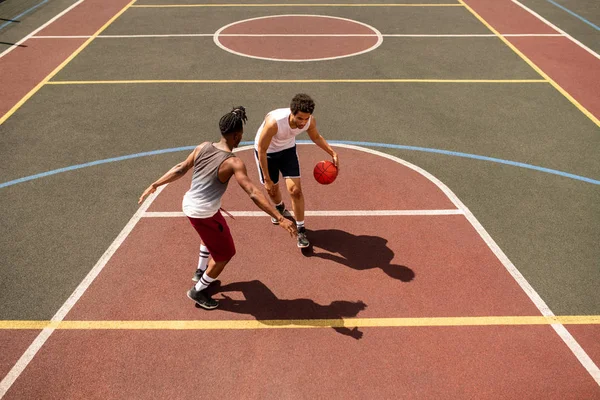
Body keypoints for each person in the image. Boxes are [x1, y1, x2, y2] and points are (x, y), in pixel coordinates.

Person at [139, 106, 297, 310]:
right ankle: (198, 290)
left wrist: (155, 184)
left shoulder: (203, 147)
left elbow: (181, 168)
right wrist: (280, 217)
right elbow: (252, 192)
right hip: (203, 212)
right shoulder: (233, 162)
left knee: (210, 234)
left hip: (191, 204)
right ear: (237, 136)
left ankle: (200, 271)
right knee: (225, 254)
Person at [254, 93, 339, 248]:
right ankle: (279, 207)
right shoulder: (274, 123)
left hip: (287, 151)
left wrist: (332, 152)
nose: (303, 122)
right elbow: (262, 149)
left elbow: (316, 137)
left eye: (306, 118)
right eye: (300, 118)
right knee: (272, 189)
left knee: (295, 191)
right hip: (267, 153)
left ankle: (301, 230)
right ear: (292, 113)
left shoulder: (309, 121)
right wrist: (266, 178)